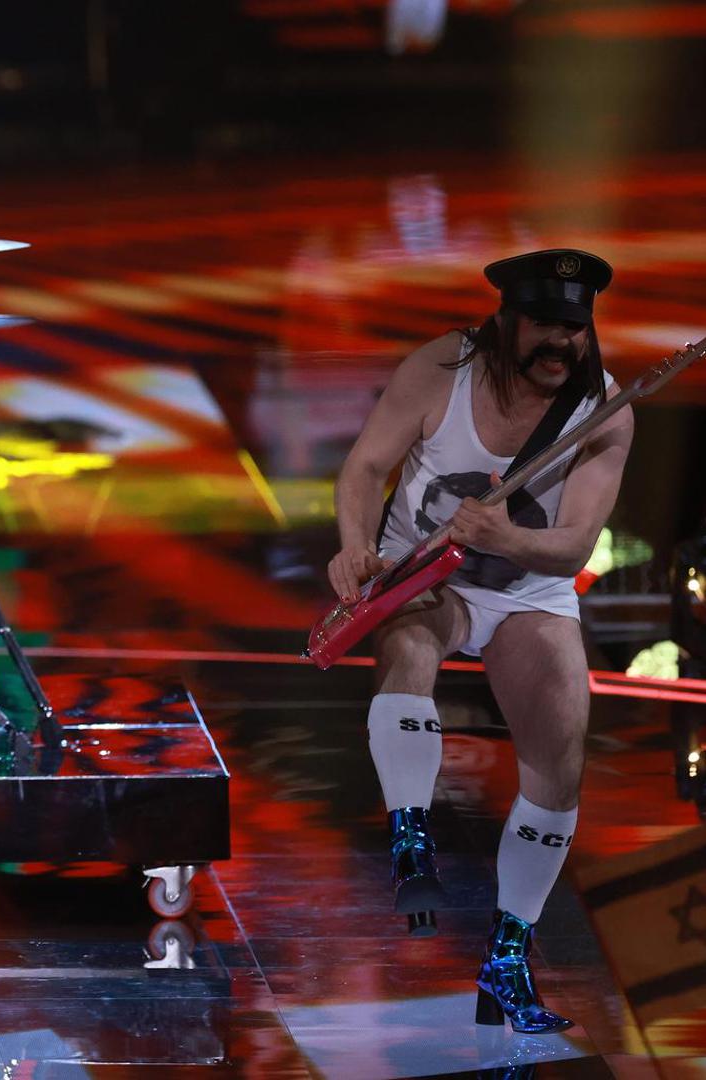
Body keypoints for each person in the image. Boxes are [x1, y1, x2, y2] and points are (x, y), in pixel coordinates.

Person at [329, 248, 632, 1034]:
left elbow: (571, 547)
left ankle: (504, 959)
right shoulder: (440, 369)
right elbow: (363, 468)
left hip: (528, 590)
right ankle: (410, 840)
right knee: (406, 646)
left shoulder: (605, 411)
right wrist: (354, 546)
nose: (561, 343)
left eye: (575, 327)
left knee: (560, 760)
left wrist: (504, 536)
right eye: (544, 325)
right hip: (423, 573)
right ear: (505, 322)